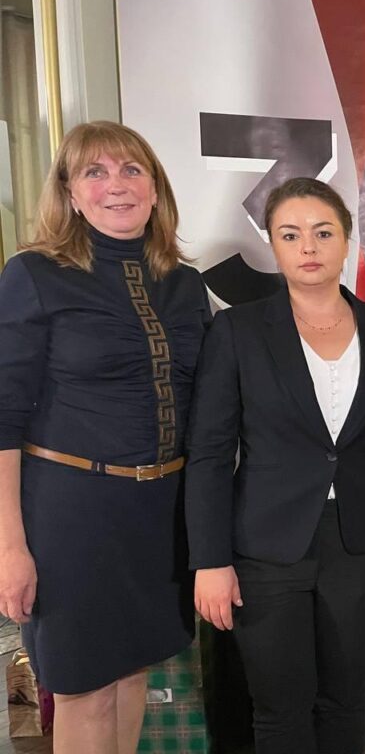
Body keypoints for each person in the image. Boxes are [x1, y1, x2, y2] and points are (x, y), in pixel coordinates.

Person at [185, 177, 365, 754]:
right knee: (279, 709)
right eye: (291, 235)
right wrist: (210, 560)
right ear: (273, 244)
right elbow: (210, 454)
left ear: (347, 240)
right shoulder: (238, 331)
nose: (308, 247)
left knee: (345, 700)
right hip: (266, 547)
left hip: (362, 542)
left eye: (323, 233)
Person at [0, 121, 209, 753]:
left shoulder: (184, 283)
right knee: (85, 692)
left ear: (155, 188)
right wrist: (10, 547)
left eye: (130, 170)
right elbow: (3, 416)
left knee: (134, 674)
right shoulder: (35, 273)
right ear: (69, 193)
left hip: (159, 514)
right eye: (95, 172)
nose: (116, 185)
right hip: (71, 515)